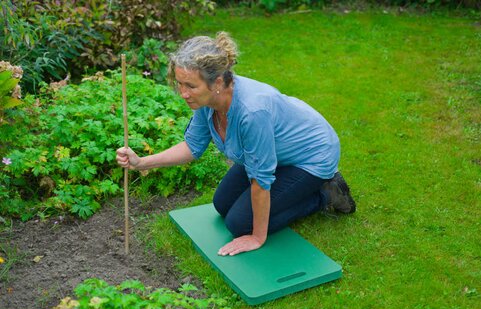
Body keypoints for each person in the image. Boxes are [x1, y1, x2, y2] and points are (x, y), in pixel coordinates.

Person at [116, 32, 356, 257]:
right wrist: (141, 162)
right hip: (276, 153)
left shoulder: (251, 112)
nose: (183, 93)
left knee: (239, 223)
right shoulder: (208, 100)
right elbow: (192, 147)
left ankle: (326, 193)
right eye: (180, 84)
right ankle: (303, 193)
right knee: (222, 204)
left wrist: (256, 237)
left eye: (190, 86)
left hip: (310, 156)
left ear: (217, 81)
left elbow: (260, 180)